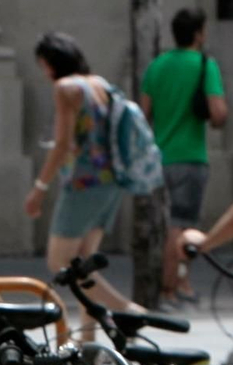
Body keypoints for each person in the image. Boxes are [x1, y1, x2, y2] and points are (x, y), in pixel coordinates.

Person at [24, 32, 144, 314]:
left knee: (60, 263)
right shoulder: (99, 84)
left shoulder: (66, 88)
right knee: (83, 262)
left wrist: (39, 189)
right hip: (111, 182)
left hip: (83, 184)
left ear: (50, 63)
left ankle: (129, 310)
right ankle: (89, 337)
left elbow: (63, 144)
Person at [140, 8, 227, 308]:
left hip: (159, 158)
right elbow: (218, 113)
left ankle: (180, 284)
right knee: (182, 228)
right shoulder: (205, 64)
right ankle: (171, 288)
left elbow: (144, 114)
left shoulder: (156, 66)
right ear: (199, 34)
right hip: (190, 158)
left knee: (170, 227)